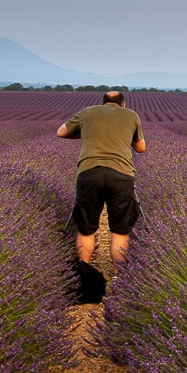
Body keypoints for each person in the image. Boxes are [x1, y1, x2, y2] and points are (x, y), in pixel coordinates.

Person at [57, 90, 146, 301]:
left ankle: (83, 277)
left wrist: (87, 133)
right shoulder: (131, 115)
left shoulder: (88, 112)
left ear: (103, 102)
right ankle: (118, 281)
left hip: (90, 174)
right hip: (121, 176)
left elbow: (61, 132)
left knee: (86, 228)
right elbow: (140, 148)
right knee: (120, 230)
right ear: (122, 105)